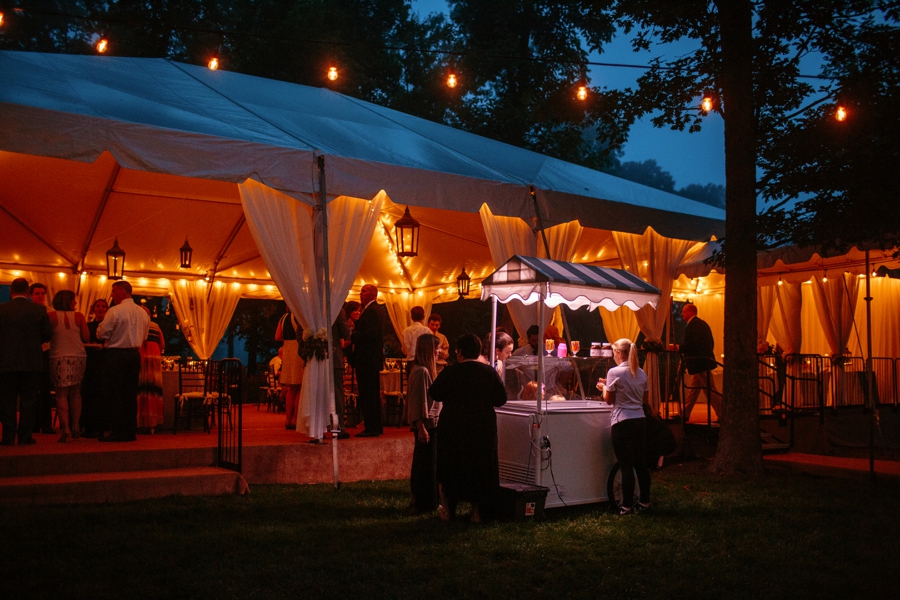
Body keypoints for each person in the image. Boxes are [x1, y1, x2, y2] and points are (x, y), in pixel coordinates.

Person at [431, 333, 507, 522]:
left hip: (453, 428)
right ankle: (477, 512)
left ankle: (448, 511)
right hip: (482, 429)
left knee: (450, 469)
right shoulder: (488, 372)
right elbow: (501, 398)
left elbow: (435, 393)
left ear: (459, 352)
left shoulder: (450, 372)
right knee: (480, 471)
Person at [596, 338, 651, 514]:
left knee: (626, 465)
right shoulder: (641, 373)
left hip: (622, 420)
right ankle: (645, 502)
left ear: (620, 353)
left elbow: (609, 400)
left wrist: (604, 388)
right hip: (640, 420)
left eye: (614, 353)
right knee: (641, 464)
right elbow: (645, 399)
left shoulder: (614, 372)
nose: (613, 356)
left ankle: (626, 505)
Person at [0, 278, 53, 445]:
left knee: (7, 400)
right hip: (32, 361)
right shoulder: (39, 310)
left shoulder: (2, 309)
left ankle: (8, 436)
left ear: (11, 291)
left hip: (6, 361)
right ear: (28, 291)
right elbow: (47, 334)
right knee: (29, 400)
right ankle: (25, 436)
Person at [96, 281, 150, 442]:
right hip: (134, 355)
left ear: (122, 291)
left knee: (114, 393)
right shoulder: (143, 313)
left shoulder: (115, 311)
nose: (112, 295)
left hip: (116, 355)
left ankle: (118, 431)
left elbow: (102, 333)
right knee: (130, 393)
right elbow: (145, 336)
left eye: (114, 291)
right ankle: (130, 430)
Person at [48, 290, 90, 443]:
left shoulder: (51, 316)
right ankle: (76, 425)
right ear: (69, 301)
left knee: (61, 394)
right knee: (76, 392)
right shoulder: (79, 316)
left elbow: (45, 335)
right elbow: (86, 337)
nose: (75, 302)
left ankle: (65, 428)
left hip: (58, 356)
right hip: (78, 355)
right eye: (74, 300)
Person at [406, 334, 442, 514]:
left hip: (430, 424)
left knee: (428, 464)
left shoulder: (423, 370)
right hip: (426, 426)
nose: (439, 351)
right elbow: (417, 400)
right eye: (436, 348)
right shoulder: (421, 371)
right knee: (425, 465)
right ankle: (424, 502)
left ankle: (427, 501)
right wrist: (420, 426)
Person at [679, 303, 722, 422]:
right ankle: (685, 413)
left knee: (710, 390)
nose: (682, 314)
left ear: (691, 312)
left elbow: (692, 344)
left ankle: (723, 413)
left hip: (699, 362)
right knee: (694, 389)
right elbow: (710, 342)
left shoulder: (693, 325)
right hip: (702, 361)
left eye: (684, 311)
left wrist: (680, 348)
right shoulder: (702, 324)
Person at [352, 285, 384, 437]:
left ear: (372, 295)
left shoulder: (372, 311)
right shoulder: (373, 310)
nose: (360, 294)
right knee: (371, 394)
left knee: (368, 394)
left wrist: (352, 334)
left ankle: (371, 427)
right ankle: (375, 426)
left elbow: (370, 336)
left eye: (363, 291)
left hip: (367, 359)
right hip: (370, 360)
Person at [29, 282, 56, 434]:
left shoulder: (51, 312)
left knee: (45, 388)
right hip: (32, 353)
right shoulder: (28, 311)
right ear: (31, 295)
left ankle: (46, 424)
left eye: (42, 293)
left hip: (46, 352)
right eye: (37, 293)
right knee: (32, 389)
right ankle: (33, 423)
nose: (40, 296)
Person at [81, 298, 108, 438]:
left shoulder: (108, 326)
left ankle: (100, 426)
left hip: (103, 362)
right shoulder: (88, 325)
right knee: (87, 393)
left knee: (101, 394)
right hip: (89, 362)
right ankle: (87, 426)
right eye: (98, 306)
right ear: (93, 309)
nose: (100, 309)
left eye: (103, 306)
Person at [136, 306, 165, 434]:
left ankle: (140, 421)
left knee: (141, 389)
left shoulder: (138, 325)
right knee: (153, 390)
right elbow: (162, 344)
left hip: (143, 356)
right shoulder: (156, 326)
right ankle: (153, 422)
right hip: (154, 358)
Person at [275, 309, 304, 430]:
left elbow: (277, 336)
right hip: (298, 349)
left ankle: (288, 419)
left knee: (291, 388)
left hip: (287, 349)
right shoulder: (300, 315)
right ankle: (295, 419)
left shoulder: (283, 317)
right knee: (300, 386)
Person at [331, 306, 351, 439]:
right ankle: (338, 427)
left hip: (315, 358)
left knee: (318, 394)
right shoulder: (337, 308)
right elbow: (345, 333)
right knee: (337, 393)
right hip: (334, 357)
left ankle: (318, 428)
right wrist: (349, 328)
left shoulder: (311, 305)